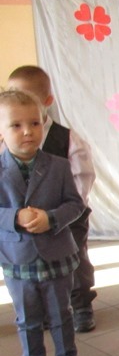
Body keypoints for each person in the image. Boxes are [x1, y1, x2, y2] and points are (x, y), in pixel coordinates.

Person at [0, 90, 86, 356]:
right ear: (1, 131)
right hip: (16, 257)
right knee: (27, 318)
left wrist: (51, 218)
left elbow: (75, 204)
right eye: (16, 125)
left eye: (34, 123)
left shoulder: (59, 165)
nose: (27, 131)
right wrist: (15, 217)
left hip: (56, 254)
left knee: (61, 313)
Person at [7, 65, 97, 332]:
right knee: (33, 261)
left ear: (46, 101)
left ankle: (80, 303)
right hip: (25, 219)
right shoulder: (7, 140)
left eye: (27, 98)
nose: (20, 105)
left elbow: (82, 180)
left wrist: (58, 215)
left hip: (66, 215)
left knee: (74, 259)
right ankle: (45, 306)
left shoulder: (67, 139)